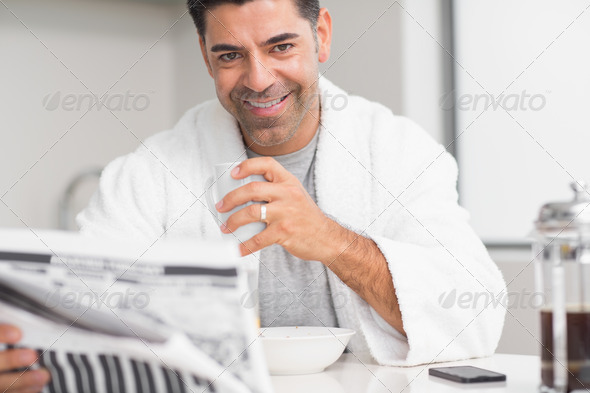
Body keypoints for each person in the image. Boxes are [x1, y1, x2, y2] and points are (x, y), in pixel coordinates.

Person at [0, 0, 506, 391]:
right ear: (205, 55)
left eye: (281, 47)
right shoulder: (149, 173)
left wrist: (332, 241)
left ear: (321, 35)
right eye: (230, 55)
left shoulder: (398, 151)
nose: (259, 79)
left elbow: (475, 315)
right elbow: (78, 317)